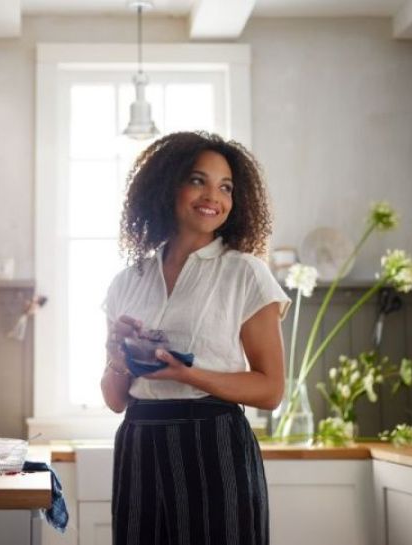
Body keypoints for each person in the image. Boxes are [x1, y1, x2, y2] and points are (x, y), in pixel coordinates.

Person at [101, 131, 291, 545]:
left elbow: (271, 389)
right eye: (198, 180)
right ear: (167, 184)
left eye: (225, 187)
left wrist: (189, 374)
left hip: (214, 444)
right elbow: (115, 400)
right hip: (138, 444)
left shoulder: (246, 273)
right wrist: (117, 354)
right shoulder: (126, 282)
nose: (214, 197)